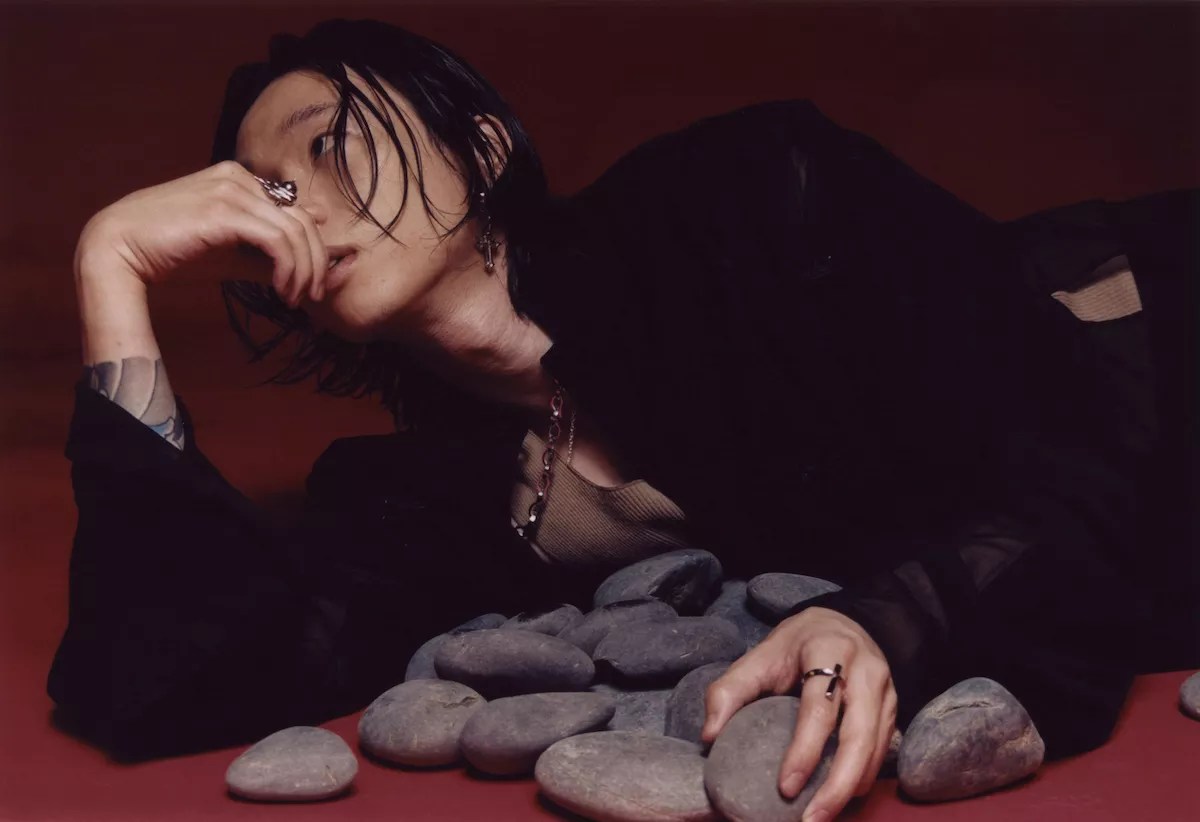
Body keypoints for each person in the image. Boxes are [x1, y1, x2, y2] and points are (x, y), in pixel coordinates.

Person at [48, 17, 1196, 819]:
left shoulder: (746, 196)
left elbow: (1069, 433)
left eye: (328, 142)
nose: (298, 204)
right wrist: (112, 268)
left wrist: (886, 622)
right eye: (265, 195)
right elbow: (181, 677)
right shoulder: (420, 496)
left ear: (482, 147)